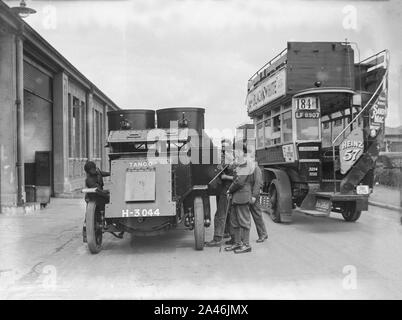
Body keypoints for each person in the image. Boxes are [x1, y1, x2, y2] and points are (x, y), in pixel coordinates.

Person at [225, 144, 254, 254]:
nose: (235, 152)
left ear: (243, 152)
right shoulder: (239, 163)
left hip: (242, 195)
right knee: (235, 222)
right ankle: (237, 243)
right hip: (236, 196)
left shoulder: (245, 163)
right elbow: (234, 177)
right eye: (235, 150)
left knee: (244, 221)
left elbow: (240, 181)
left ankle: (246, 245)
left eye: (237, 150)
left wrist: (229, 190)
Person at [205, 140, 235, 247]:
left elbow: (216, 170)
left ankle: (217, 238)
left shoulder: (228, 159)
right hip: (225, 189)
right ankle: (228, 234)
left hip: (226, 190)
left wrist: (222, 175)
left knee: (220, 215)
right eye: (222, 147)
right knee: (228, 214)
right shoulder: (231, 158)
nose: (223, 149)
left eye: (225, 147)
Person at [82, 161, 111, 242]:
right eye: (91, 170)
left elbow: (102, 173)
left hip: (100, 196)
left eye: (93, 169)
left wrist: (111, 173)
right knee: (89, 217)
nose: (93, 171)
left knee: (106, 208)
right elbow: (97, 190)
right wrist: (106, 192)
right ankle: (86, 235)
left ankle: (108, 222)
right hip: (92, 197)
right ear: (88, 171)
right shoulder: (89, 180)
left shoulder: (97, 171)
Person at [248, 155, 268, 243]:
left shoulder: (256, 169)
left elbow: (258, 183)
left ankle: (263, 234)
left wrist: (254, 196)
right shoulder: (250, 168)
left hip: (253, 195)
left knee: (257, 215)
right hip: (248, 194)